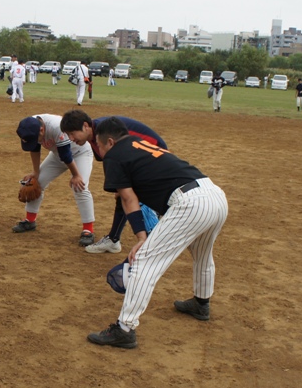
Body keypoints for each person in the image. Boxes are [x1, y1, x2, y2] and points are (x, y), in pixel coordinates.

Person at [86, 117, 228, 349]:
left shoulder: (113, 155)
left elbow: (128, 199)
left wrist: (142, 237)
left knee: (143, 261)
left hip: (190, 203)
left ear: (110, 142)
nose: (99, 152)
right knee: (202, 254)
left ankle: (125, 329)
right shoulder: (139, 142)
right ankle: (201, 304)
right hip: (214, 194)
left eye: (99, 146)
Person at [60, 109, 167, 255]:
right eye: (68, 135)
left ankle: (153, 241)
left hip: (152, 153)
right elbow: (109, 160)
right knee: (123, 195)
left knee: (135, 198)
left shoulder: (105, 132)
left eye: (72, 133)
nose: (71, 138)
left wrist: (121, 187)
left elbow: (120, 155)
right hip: (136, 157)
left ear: (85, 126)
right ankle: (113, 239)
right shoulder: (94, 138)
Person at [12, 114, 96, 246]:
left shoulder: (56, 126)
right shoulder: (30, 126)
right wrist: (36, 172)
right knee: (36, 182)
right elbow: (35, 148)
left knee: (80, 187)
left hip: (80, 153)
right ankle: (30, 221)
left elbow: (66, 155)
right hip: (58, 155)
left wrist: (76, 175)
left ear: (42, 130)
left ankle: (88, 230)